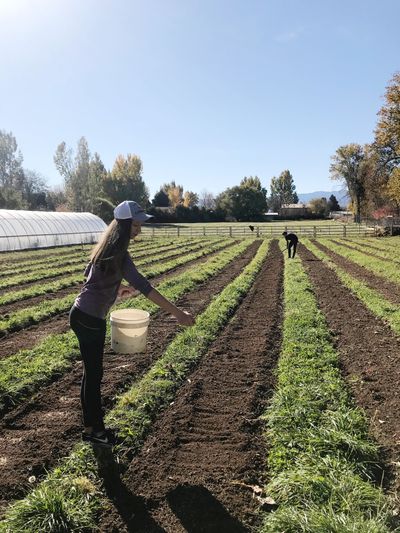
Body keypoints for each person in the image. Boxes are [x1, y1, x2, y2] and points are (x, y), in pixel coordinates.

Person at [69, 200, 195, 447]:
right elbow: (145, 287)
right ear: (124, 225)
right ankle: (97, 432)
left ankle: (91, 428)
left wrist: (116, 289)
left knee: (91, 374)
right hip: (91, 319)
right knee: (94, 376)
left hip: (81, 314)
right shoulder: (120, 254)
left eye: (140, 224)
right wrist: (177, 313)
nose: (139, 229)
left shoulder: (106, 247)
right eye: (135, 224)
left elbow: (91, 279)